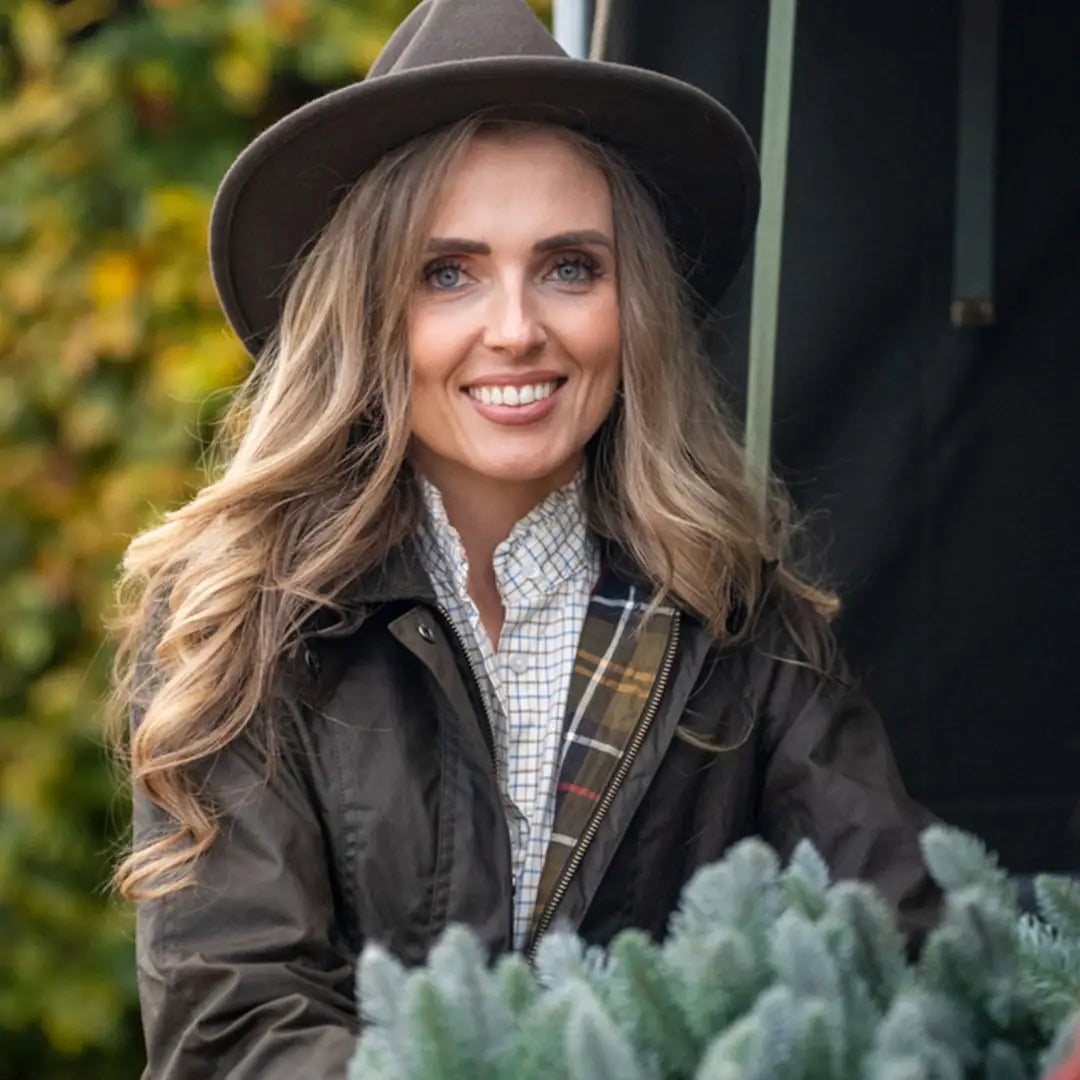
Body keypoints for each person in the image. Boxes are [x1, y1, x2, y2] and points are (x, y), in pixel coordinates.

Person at [111, 0, 940, 1076]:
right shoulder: (239, 617)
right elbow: (234, 1032)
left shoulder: (742, 619)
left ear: (630, 304)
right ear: (367, 310)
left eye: (570, 267)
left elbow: (910, 949)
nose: (516, 327)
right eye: (447, 271)